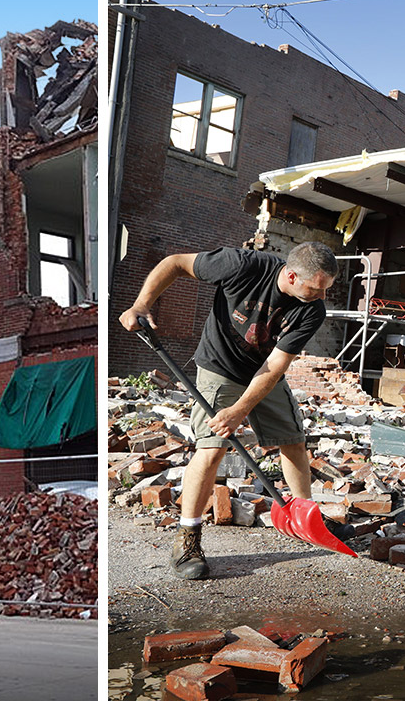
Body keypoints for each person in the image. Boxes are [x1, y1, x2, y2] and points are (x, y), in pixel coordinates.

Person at [119, 242, 338, 580]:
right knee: (211, 449)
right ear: (292, 276)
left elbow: (275, 365)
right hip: (219, 365)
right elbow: (176, 261)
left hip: (263, 373)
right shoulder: (241, 265)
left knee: (293, 439)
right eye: (315, 288)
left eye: (326, 289)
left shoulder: (313, 309)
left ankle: (304, 519)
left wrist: (240, 409)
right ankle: (187, 540)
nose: (320, 296)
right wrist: (141, 304)